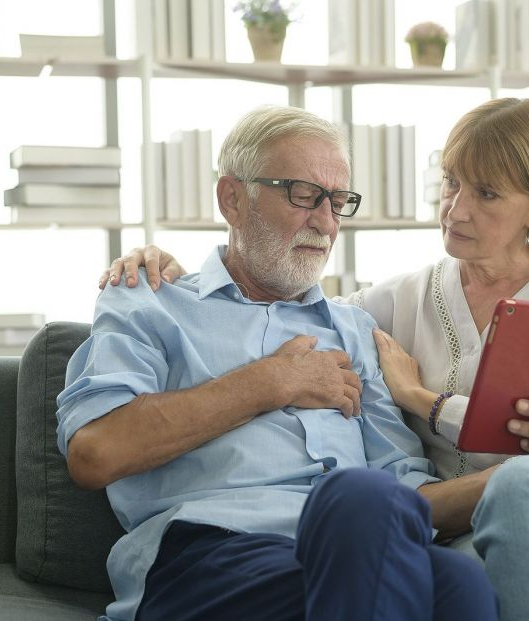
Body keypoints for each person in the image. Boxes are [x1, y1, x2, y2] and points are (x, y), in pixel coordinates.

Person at [103, 98, 529, 620]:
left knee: (524, 487)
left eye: (486, 193)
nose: (456, 210)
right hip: (483, 521)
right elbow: (276, 302)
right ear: (232, 198)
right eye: (451, 184)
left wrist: (423, 402)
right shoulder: (388, 305)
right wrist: (166, 268)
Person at [59, 105, 500, 621]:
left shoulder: (355, 330)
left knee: (456, 575)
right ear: (232, 198)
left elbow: (406, 492)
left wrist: (528, 476)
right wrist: (270, 381)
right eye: (304, 195)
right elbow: (95, 452)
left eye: (338, 202)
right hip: (212, 552)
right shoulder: (149, 302)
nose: (325, 222)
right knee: (369, 507)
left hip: (351, 546)